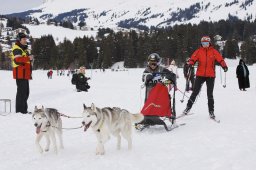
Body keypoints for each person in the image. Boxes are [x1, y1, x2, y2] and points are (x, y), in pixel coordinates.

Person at [183, 36, 228, 119]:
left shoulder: (214, 51)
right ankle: (188, 108)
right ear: (201, 43)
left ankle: (211, 111)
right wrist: (191, 63)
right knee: (195, 92)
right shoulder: (199, 51)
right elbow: (193, 58)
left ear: (209, 43)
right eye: (203, 43)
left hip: (210, 76)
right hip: (200, 75)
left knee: (209, 94)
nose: (205, 45)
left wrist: (224, 66)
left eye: (206, 43)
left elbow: (220, 59)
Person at [11, 32, 34, 114]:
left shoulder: (24, 49)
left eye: (25, 39)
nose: (25, 40)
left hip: (25, 74)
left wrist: (30, 59)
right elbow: (17, 60)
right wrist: (28, 58)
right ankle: (20, 111)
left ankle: (24, 110)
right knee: (21, 93)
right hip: (20, 74)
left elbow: (26, 60)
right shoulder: (17, 48)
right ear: (19, 40)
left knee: (26, 93)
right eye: (23, 39)